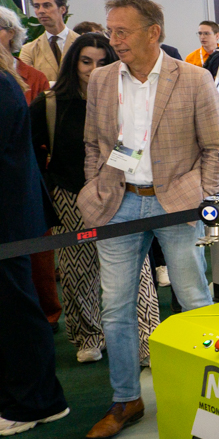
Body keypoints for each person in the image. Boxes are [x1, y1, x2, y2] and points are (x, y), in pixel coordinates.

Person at [80, 0, 219, 439]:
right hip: (118, 201)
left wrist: (200, 195)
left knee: (193, 299)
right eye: (111, 30)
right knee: (116, 308)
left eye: (122, 31)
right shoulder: (102, 80)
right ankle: (126, 399)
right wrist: (96, 187)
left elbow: (214, 147)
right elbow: (93, 144)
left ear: (153, 33)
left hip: (176, 201)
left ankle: (212, 395)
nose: (113, 39)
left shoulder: (194, 78)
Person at [30, 33, 161, 364]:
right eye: (86, 61)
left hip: (120, 192)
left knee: (136, 270)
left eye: (102, 62)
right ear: (73, 63)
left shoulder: (127, 97)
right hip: (69, 195)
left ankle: (147, 341)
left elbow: (136, 143)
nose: (93, 69)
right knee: (77, 272)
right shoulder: (51, 103)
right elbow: (27, 149)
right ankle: (88, 336)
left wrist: (112, 179)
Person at [0, 66, 70, 436]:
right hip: (11, 218)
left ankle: (37, 403)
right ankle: (24, 398)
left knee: (16, 312)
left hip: (7, 221)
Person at [2, 7, 59, 327]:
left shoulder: (23, 78)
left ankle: (48, 316)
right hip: (16, 191)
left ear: (11, 33)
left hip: (21, 188)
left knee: (30, 273)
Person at [19, 0, 78, 84]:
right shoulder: (29, 50)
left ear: (62, 9)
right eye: (36, 6)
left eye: (47, 5)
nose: (41, 11)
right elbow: (25, 83)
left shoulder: (81, 43)